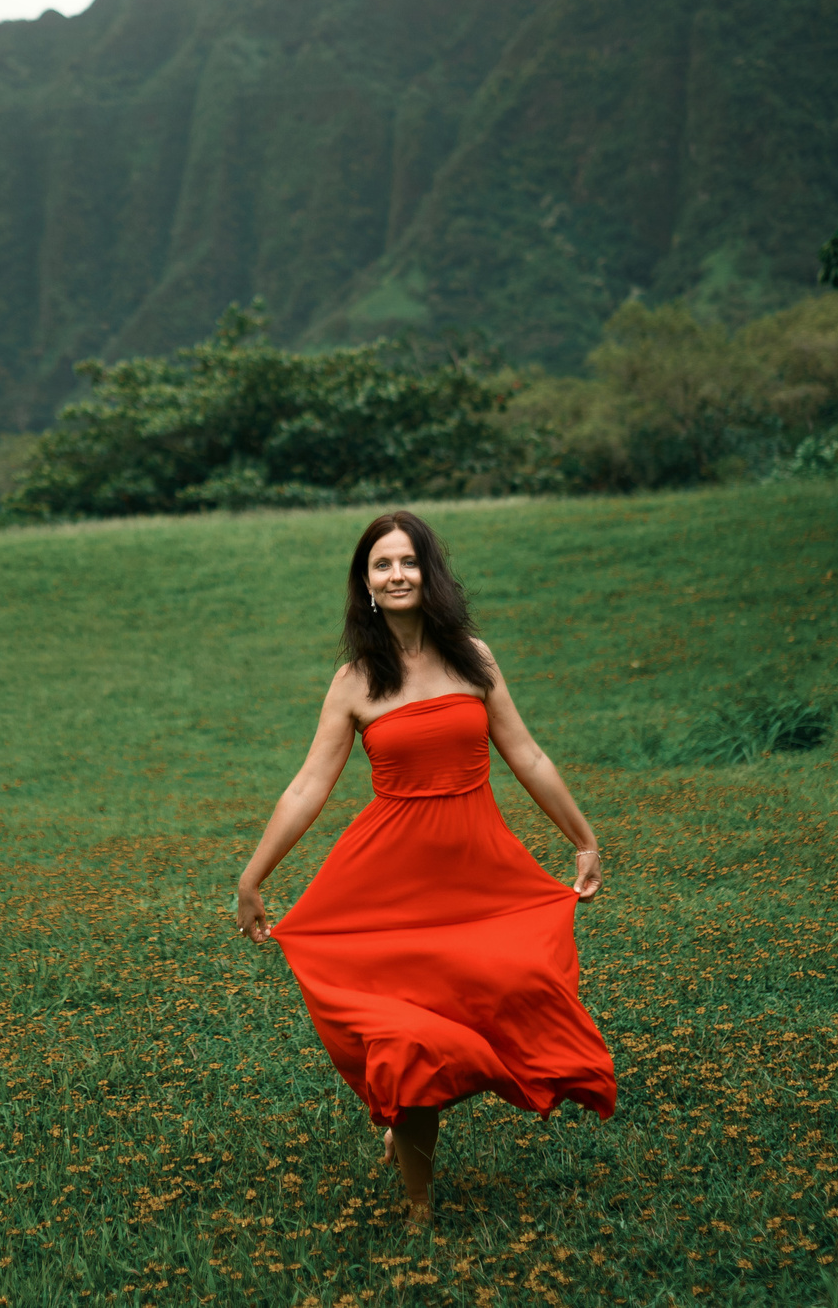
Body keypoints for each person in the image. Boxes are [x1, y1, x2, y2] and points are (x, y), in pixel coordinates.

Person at [234, 509, 616, 1222]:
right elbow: (308, 786)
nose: (397, 573)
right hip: (385, 888)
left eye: (408, 560)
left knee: (520, 986)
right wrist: (253, 877)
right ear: (367, 584)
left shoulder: (474, 658)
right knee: (408, 1042)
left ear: (429, 572)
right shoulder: (355, 681)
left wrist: (582, 836)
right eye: (381, 564)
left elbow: (526, 753)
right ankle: (418, 1206)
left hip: (480, 877)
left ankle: (402, 1120)